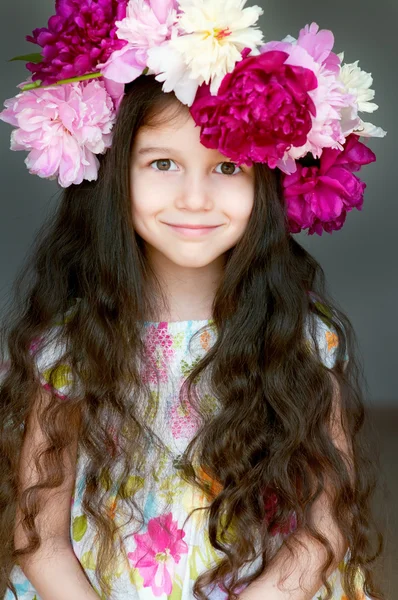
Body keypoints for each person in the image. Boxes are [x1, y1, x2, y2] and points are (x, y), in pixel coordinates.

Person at [0, 1, 387, 600]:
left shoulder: (303, 339)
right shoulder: (68, 350)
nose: (195, 198)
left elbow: (318, 536)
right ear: (112, 176)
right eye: (162, 163)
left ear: (268, 182)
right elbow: (41, 541)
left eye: (227, 166)